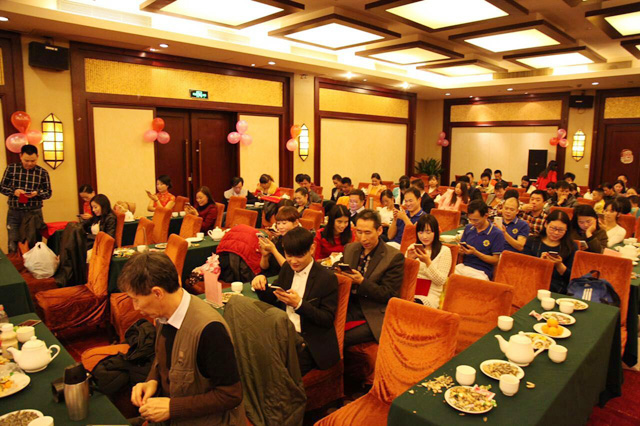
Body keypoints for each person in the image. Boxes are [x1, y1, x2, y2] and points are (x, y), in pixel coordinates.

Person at [122, 253, 244, 425]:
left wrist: (172, 408)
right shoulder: (164, 314)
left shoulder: (210, 330)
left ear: (157, 293)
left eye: (136, 300)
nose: (135, 307)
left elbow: (231, 395)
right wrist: (152, 381)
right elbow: (164, 358)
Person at [252, 227, 339, 376]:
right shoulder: (287, 268)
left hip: (309, 341)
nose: (293, 261)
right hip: (283, 334)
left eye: (299, 256)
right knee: (254, 356)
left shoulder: (326, 278)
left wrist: (299, 304)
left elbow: (327, 319)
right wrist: (261, 286)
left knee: (278, 371)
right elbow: (273, 298)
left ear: (312, 249)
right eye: (289, 255)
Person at [341, 210, 404, 347]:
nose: (363, 238)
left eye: (368, 233)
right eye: (359, 232)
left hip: (373, 312)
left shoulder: (393, 257)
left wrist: (362, 282)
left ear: (379, 230)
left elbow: (389, 294)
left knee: (339, 337)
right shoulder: (350, 249)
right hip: (348, 305)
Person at [0, 144, 52, 253]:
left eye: (33, 161)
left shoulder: (42, 172)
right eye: (26, 160)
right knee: (13, 241)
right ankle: (15, 263)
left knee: (35, 243)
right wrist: (14, 192)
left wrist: (37, 193)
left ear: (37, 157)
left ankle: (35, 263)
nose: (29, 163)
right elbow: (2, 187)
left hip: (34, 212)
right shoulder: (11, 168)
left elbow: (48, 193)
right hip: (15, 211)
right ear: (20, 156)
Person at [523, 210, 576, 293]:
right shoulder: (532, 241)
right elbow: (523, 268)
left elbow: (573, 278)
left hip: (558, 287)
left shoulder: (571, 246)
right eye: (553, 228)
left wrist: (559, 265)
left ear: (566, 230)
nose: (556, 233)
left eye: (561, 230)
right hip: (532, 283)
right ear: (546, 224)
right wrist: (540, 263)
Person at [406, 214, 452, 308]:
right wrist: (409, 260)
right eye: (420, 232)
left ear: (435, 232)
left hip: (430, 294)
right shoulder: (413, 247)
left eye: (428, 232)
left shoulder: (444, 251)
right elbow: (404, 276)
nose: (424, 236)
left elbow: (441, 281)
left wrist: (427, 262)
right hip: (411, 289)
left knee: (412, 305)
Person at [455, 200, 504, 280]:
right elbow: (462, 251)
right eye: (470, 219)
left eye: (476, 220)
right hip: (464, 266)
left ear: (486, 216)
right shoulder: (469, 228)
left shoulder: (497, 233)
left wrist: (475, 253)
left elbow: (495, 260)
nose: (472, 223)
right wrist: (461, 251)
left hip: (482, 271)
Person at [259, 206, 300, 276]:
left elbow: (290, 269)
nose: (280, 227)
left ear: (296, 223)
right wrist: (265, 256)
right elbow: (264, 268)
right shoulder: (280, 238)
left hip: (284, 277)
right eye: (278, 223)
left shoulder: (298, 241)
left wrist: (273, 250)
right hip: (269, 275)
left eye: (284, 223)